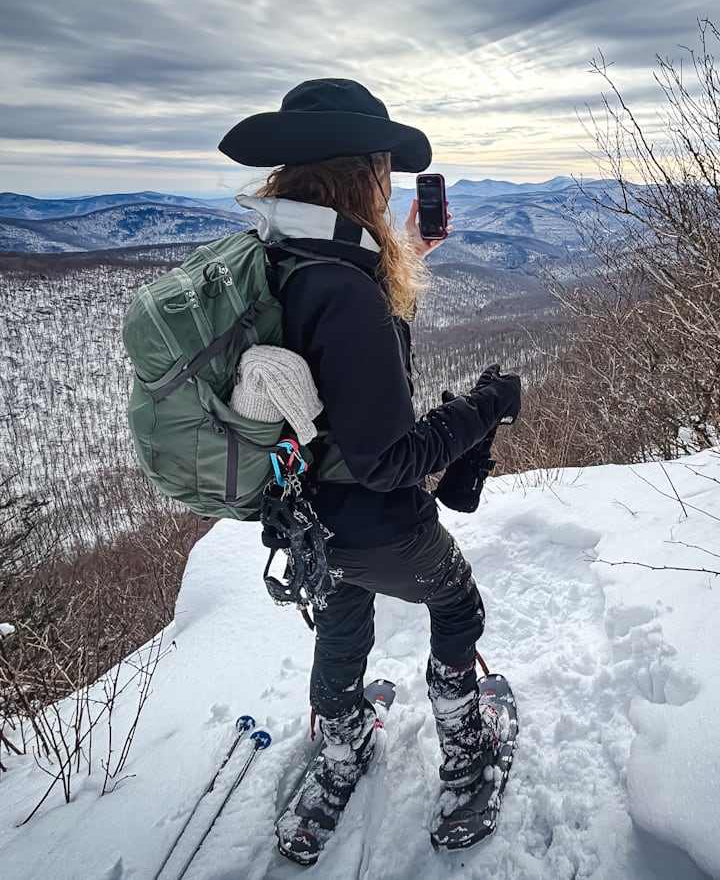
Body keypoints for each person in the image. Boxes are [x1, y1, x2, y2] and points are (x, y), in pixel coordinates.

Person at [217, 79, 521, 836]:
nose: (389, 180)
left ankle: (343, 748)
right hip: (379, 523)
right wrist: (488, 404)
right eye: (383, 165)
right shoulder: (346, 287)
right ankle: (463, 753)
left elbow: (338, 365)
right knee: (455, 602)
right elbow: (390, 460)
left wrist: (410, 255)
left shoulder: (280, 255)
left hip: (307, 519)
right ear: (362, 174)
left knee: (345, 611)